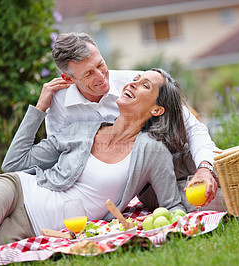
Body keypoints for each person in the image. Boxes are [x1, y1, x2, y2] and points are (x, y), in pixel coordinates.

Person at [0, 68, 186, 263]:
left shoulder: (152, 150)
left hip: (31, 227)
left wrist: (205, 175)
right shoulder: (82, 129)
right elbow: (14, 163)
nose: (132, 83)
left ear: (157, 109)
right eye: (135, 78)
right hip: (18, 190)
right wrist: (40, 108)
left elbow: (172, 207)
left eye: (145, 85)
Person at [43, 32, 224, 212]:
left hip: (178, 156)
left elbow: (193, 128)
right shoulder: (59, 104)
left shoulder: (135, 82)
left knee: (225, 170)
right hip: (146, 184)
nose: (100, 76)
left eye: (100, 64)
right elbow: (58, 160)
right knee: (216, 200)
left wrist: (205, 168)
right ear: (68, 78)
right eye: (89, 73)